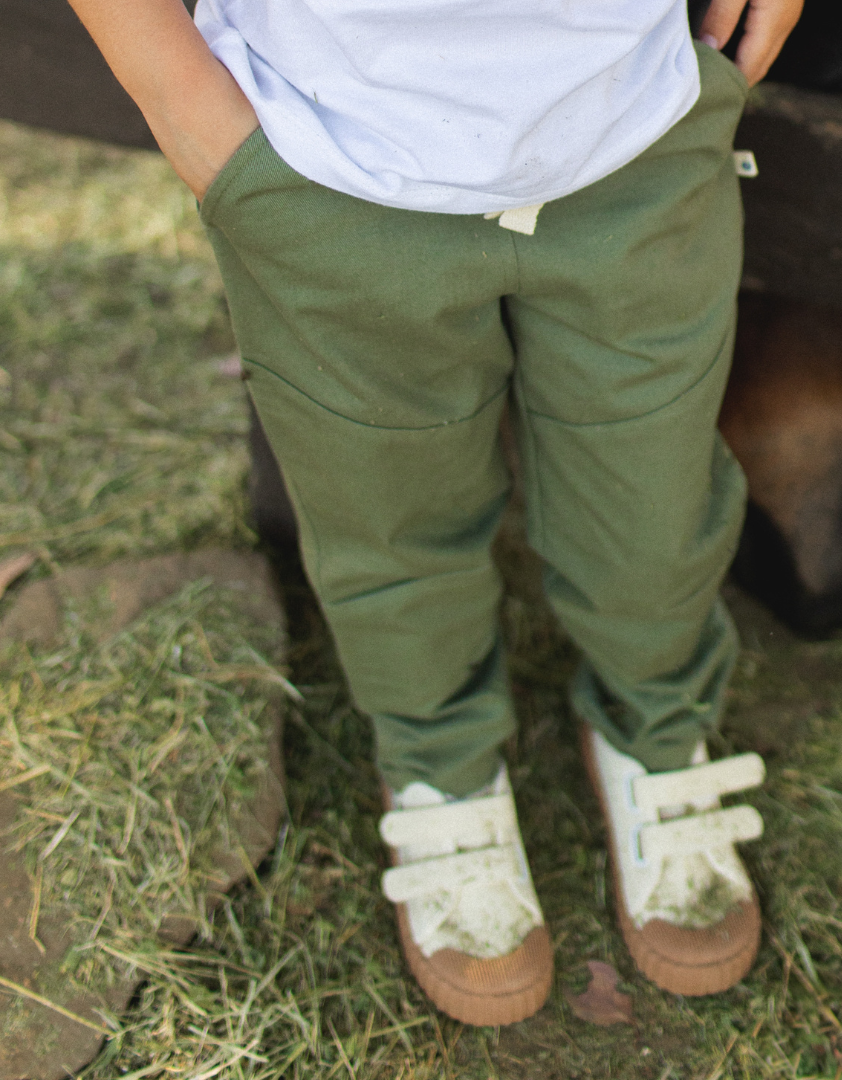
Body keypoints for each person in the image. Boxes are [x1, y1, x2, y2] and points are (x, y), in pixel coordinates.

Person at [68, 0, 803, 1026]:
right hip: (325, 159)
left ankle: (656, 727)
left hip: (635, 132)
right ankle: (438, 759)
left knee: (654, 493)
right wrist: (177, 93)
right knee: (385, 513)